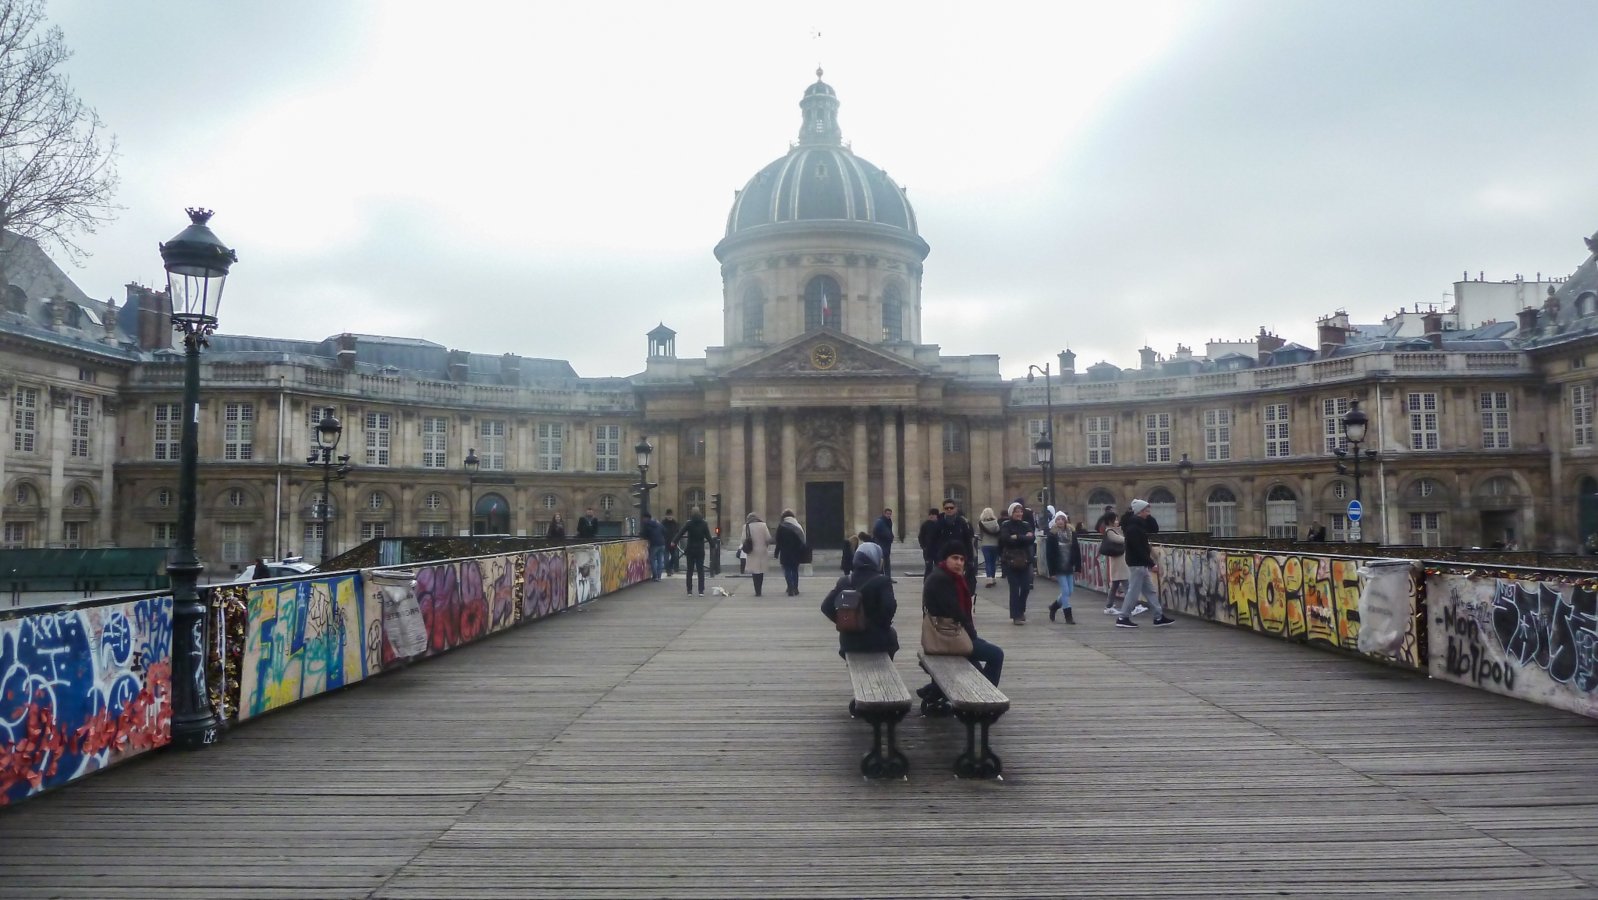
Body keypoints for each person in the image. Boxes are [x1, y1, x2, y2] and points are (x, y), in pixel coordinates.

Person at [920, 541, 1003, 690]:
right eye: (955, 558)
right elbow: (956, 612)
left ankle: (934, 691)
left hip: (949, 633)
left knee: (977, 662)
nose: (959, 562)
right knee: (996, 654)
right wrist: (972, 634)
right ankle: (987, 695)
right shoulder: (942, 580)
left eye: (962, 559)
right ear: (946, 559)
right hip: (949, 636)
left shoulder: (947, 576)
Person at [821, 541, 898, 658]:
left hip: (849, 641)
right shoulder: (882, 582)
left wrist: (847, 622)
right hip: (877, 641)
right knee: (892, 637)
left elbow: (826, 606)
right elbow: (889, 607)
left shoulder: (845, 581)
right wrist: (876, 626)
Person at [1116, 499, 1175, 628]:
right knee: (1133, 592)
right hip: (1137, 563)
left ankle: (1158, 616)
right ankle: (1123, 617)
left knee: (1149, 591)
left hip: (1139, 563)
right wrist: (1151, 563)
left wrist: (1147, 515)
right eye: (1146, 511)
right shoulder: (1133, 528)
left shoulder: (1137, 525)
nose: (1148, 513)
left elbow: (1154, 528)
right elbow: (1139, 548)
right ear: (1140, 511)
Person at [997, 502, 1035, 625]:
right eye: (1016, 511)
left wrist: (1016, 537)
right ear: (1011, 513)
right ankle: (1016, 615)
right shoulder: (1006, 525)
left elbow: (1031, 539)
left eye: (1020, 511)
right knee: (1014, 588)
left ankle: (1021, 610)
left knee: (1025, 587)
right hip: (1010, 559)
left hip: (1025, 559)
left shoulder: (1026, 524)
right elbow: (1005, 539)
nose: (1019, 514)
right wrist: (1023, 537)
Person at [1045, 512, 1081, 624]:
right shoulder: (1052, 535)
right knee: (1065, 591)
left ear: (1066, 520)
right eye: (1058, 519)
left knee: (1070, 591)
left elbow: (1076, 550)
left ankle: (1054, 606)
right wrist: (1052, 572)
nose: (1060, 521)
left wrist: (1078, 567)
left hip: (1069, 564)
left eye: (1062, 519)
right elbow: (1049, 555)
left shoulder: (1072, 533)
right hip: (1058, 565)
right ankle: (1068, 616)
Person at [675, 507, 713, 595]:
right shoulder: (704, 524)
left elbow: (680, 533)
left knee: (690, 571)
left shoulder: (689, 523)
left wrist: (674, 541)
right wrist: (713, 545)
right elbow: (708, 536)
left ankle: (689, 590)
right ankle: (701, 591)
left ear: (691, 513)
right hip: (700, 550)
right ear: (700, 513)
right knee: (700, 571)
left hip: (690, 550)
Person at [774, 508, 807, 596]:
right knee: (795, 570)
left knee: (787, 570)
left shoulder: (781, 526)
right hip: (796, 552)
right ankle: (795, 588)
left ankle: (790, 587)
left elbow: (778, 541)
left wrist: (776, 553)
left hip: (785, 552)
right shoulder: (798, 526)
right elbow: (803, 540)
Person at [740, 512, 773, 596]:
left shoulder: (746, 526)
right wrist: (765, 545)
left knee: (755, 572)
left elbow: (743, 540)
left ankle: (757, 591)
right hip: (762, 550)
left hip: (752, 551)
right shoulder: (763, 525)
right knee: (761, 570)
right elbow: (768, 538)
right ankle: (760, 588)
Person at [1102, 513, 1129, 614]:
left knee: (1115, 585)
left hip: (1119, 562)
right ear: (1110, 521)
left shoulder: (1115, 530)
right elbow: (1120, 540)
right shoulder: (1109, 531)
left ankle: (1109, 606)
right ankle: (1131, 606)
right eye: (1115, 519)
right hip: (1118, 562)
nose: (1117, 521)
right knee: (1126, 585)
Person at [977, 507, 1001, 588]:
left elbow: (980, 534)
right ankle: (993, 578)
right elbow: (998, 532)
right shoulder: (995, 523)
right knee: (993, 562)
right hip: (995, 544)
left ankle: (989, 578)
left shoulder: (981, 523)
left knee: (988, 562)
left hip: (985, 544)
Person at [640, 513, 667, 581]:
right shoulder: (658, 523)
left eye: (643, 518)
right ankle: (659, 576)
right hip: (662, 543)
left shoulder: (646, 524)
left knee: (652, 559)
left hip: (654, 544)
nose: (642, 520)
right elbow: (665, 531)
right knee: (660, 560)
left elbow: (644, 535)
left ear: (646, 518)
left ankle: (655, 576)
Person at [871, 508, 896, 578]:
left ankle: (887, 577)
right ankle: (881, 577)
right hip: (882, 545)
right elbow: (876, 532)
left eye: (890, 514)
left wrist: (891, 536)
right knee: (882, 562)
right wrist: (887, 537)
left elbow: (889, 531)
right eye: (887, 514)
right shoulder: (880, 522)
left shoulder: (888, 521)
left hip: (886, 545)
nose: (889, 515)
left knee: (886, 562)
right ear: (884, 513)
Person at [917, 508, 941, 577]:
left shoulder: (939, 524)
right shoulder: (925, 525)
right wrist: (923, 546)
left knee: (938, 568)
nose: (931, 516)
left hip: (938, 550)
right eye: (930, 514)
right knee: (928, 568)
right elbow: (921, 536)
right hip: (928, 550)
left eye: (933, 515)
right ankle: (927, 584)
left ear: (937, 516)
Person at [660, 509, 681, 574]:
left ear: (672, 515)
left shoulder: (675, 523)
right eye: (668, 515)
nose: (669, 516)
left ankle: (670, 567)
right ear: (666, 516)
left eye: (670, 515)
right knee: (666, 558)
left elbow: (678, 532)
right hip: (665, 543)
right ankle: (668, 571)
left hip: (673, 543)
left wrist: (677, 541)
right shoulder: (663, 523)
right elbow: (660, 532)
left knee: (675, 556)